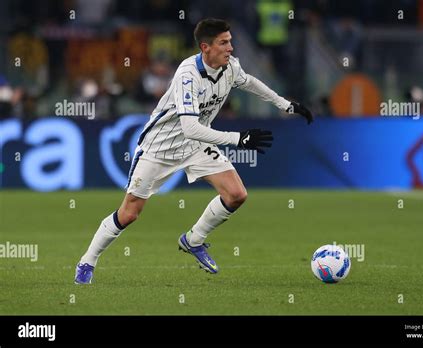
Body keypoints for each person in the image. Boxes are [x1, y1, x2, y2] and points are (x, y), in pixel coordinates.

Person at [75, 18, 313, 283]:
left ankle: (193, 239)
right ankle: (87, 261)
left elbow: (250, 82)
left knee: (236, 194)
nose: (231, 48)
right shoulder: (188, 75)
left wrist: (286, 105)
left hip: (196, 144)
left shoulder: (230, 67)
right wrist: (238, 139)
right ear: (205, 47)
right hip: (160, 147)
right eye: (224, 43)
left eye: (230, 41)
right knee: (129, 213)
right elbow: (189, 126)